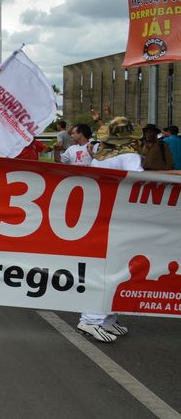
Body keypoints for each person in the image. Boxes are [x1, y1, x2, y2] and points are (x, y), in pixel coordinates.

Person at [76, 115, 141, 342]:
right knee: (116, 269)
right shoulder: (129, 155)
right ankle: (91, 319)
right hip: (121, 216)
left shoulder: (100, 155)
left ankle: (106, 319)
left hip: (101, 214)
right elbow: (138, 180)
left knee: (108, 267)